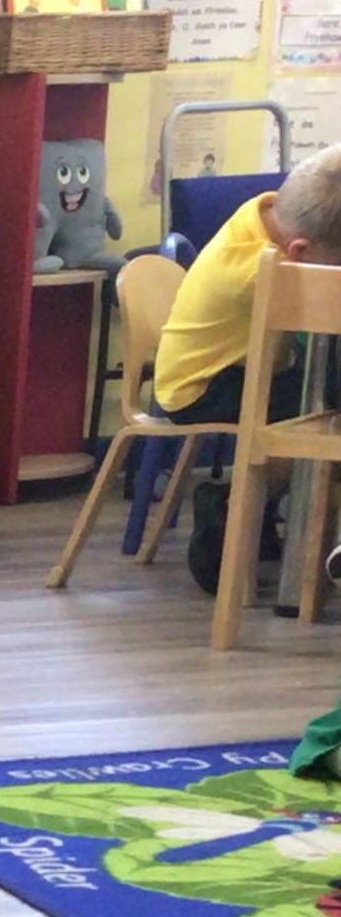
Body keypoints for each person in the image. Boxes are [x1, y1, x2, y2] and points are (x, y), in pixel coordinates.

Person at [152, 147, 341, 597]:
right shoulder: (256, 271)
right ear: (300, 252)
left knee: (326, 401)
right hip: (202, 385)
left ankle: (261, 509)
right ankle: (234, 508)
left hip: (248, 368)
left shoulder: (267, 211)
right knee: (326, 412)